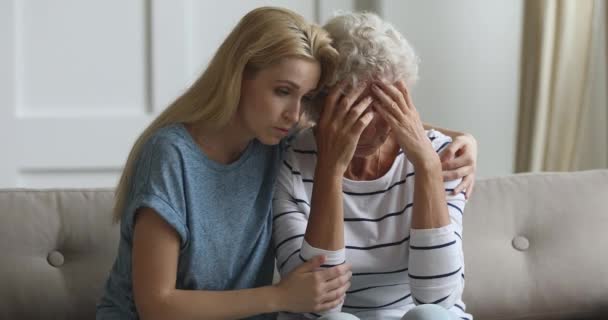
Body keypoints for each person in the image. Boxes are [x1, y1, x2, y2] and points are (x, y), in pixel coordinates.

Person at [96, 7, 351, 319]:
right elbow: (157, 306)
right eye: (283, 91)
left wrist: (418, 140)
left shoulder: (278, 142)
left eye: (306, 98)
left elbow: (357, 127)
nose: (295, 114)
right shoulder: (170, 154)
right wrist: (281, 296)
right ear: (239, 76)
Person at [272, 12, 474, 320]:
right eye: (353, 110)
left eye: (383, 105)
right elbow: (317, 306)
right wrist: (330, 169)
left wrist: (427, 168)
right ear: (320, 104)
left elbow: (439, 298)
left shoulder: (442, 157)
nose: (371, 129)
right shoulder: (292, 163)